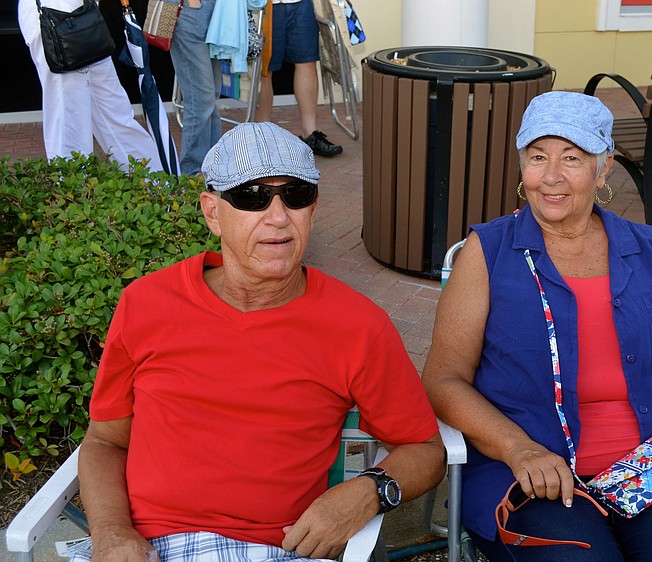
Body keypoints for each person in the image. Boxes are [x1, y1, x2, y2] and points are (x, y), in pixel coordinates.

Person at [71, 122, 445, 562]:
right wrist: (112, 532)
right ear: (213, 213)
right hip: (147, 547)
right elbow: (105, 441)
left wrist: (368, 492)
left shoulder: (359, 326)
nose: (279, 217)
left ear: (313, 209)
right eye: (252, 196)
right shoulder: (146, 304)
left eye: (296, 195)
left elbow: (425, 450)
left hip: (277, 549)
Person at [422, 91, 652, 562]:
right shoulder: (487, 251)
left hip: (650, 469)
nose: (551, 176)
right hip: (531, 475)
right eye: (537, 157)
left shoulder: (646, 249)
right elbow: (443, 379)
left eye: (571, 158)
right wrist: (518, 448)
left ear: (603, 168)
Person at [17, 0, 163, 172]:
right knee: (70, 122)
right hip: (56, 19)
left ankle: (153, 181)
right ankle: (73, 187)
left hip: (84, 18)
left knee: (115, 114)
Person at [255, 0, 343, 157]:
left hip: (302, 4)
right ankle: (261, 135)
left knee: (307, 62)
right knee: (265, 69)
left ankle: (310, 134)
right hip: (264, 5)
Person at [169, 0, 222, 175]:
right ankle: (192, 173)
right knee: (201, 100)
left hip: (214, 11)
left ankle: (213, 168)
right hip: (190, 11)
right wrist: (193, 3)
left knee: (210, 98)